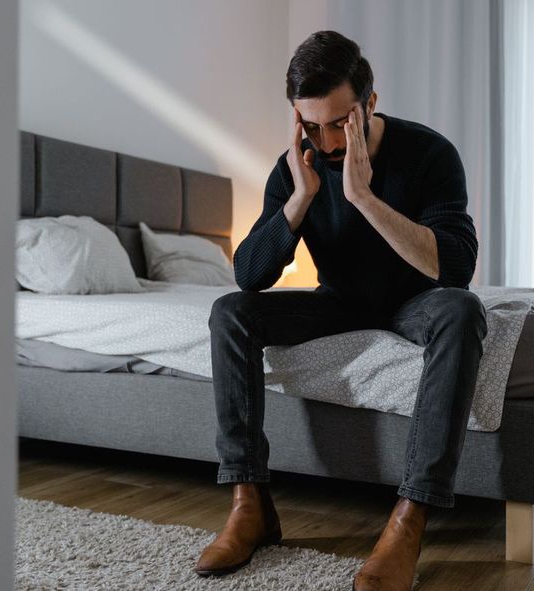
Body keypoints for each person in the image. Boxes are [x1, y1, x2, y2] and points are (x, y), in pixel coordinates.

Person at [194, 30, 488, 591]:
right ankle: (249, 503)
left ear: (369, 104)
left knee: (462, 310)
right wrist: (301, 199)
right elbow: (249, 276)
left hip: (415, 301)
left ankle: (409, 519)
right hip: (339, 300)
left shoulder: (429, 153)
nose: (326, 142)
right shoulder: (295, 167)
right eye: (310, 125)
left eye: (337, 123)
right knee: (230, 311)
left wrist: (364, 199)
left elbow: (454, 268)